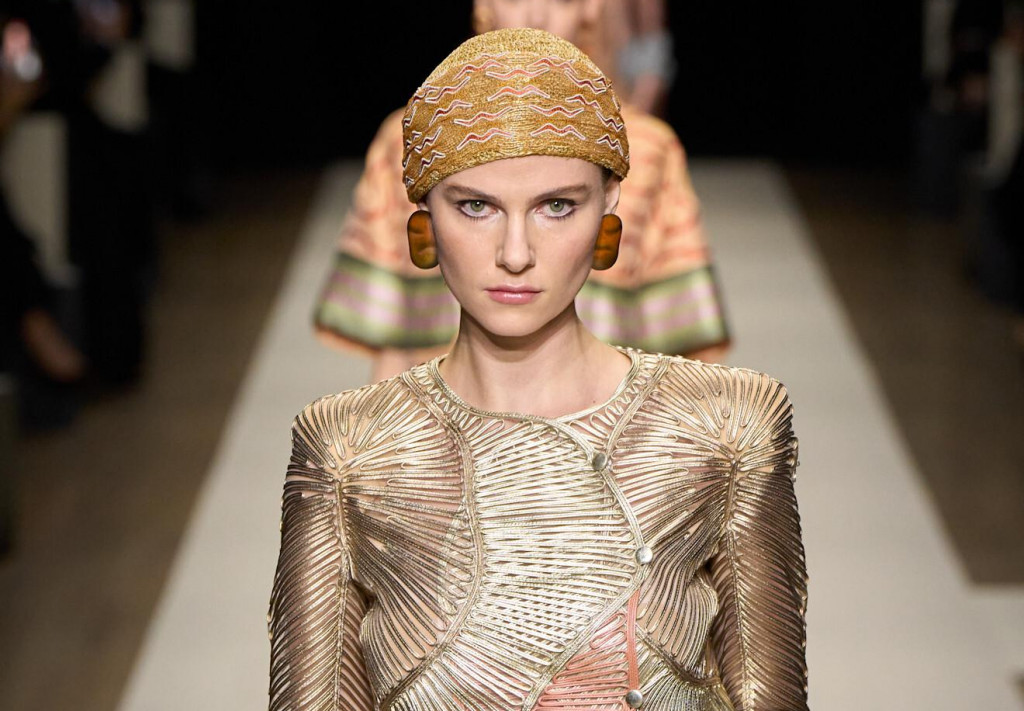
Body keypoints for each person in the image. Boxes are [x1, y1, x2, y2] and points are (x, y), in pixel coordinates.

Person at [269, 28, 808, 711]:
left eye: (557, 206)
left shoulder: (725, 431)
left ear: (609, 207)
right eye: (475, 206)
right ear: (424, 219)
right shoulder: (348, 452)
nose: (516, 253)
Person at [314, 0, 729, 382]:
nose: (537, 17)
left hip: (609, 417)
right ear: (483, 5)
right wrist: (388, 433)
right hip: (443, 416)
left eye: (561, 1)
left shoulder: (648, 149)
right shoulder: (415, 137)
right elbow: (394, 337)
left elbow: (681, 349)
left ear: (590, 9)